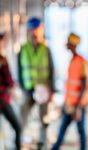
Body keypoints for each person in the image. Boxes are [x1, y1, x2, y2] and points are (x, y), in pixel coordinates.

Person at [18, 17, 55, 148]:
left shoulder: (46, 50)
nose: (34, 33)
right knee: (21, 118)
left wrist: (52, 91)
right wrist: (22, 88)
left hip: (43, 91)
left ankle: (42, 144)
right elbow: (19, 70)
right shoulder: (23, 49)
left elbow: (51, 71)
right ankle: (18, 143)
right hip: (27, 90)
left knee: (44, 120)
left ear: (41, 31)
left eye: (37, 30)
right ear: (28, 31)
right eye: (32, 30)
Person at [51, 33, 88, 150]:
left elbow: (84, 85)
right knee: (63, 129)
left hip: (79, 104)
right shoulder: (72, 60)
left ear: (72, 45)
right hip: (70, 103)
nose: (66, 44)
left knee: (81, 131)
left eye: (68, 42)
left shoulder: (82, 61)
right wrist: (65, 103)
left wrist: (78, 107)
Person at [0, 32, 21, 150]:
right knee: (17, 127)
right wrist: (12, 86)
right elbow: (9, 81)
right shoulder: (2, 60)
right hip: (2, 100)